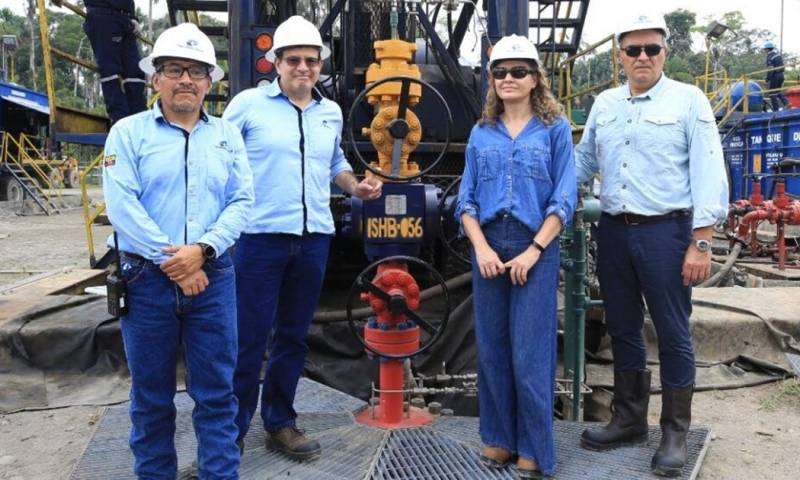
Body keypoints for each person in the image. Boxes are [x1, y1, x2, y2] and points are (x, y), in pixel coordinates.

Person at [575, 11, 728, 478]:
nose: (642, 57)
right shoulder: (604, 105)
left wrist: (701, 242)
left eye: (652, 49)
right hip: (615, 232)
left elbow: (708, 169)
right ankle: (628, 419)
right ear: (619, 55)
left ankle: (675, 432)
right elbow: (583, 166)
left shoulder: (688, 100)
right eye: (633, 49)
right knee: (622, 326)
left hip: (667, 233)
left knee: (672, 331)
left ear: (665, 52)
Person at [223, 15, 382, 461]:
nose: (303, 68)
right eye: (294, 60)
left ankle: (280, 422)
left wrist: (358, 187)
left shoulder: (329, 113)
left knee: (293, 336)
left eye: (311, 61)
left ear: (319, 65)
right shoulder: (246, 107)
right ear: (276, 62)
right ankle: (230, 433)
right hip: (259, 238)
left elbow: (335, 166)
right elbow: (218, 164)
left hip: (313, 239)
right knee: (249, 339)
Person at [102, 23, 254, 479]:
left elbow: (242, 201)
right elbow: (121, 205)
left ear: (210, 81)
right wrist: (177, 262)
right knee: (150, 398)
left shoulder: (227, 136)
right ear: (156, 79)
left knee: (217, 396)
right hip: (146, 280)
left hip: (213, 278)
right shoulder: (127, 135)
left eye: (196, 71)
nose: (185, 79)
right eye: (174, 69)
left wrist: (203, 250)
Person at [455, 34, 576, 479]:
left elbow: (564, 197)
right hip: (489, 244)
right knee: (491, 348)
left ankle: (533, 447)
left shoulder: (555, 129)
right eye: (500, 72)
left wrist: (534, 250)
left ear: (535, 78)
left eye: (518, 71)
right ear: (491, 79)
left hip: (535, 245)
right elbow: (465, 200)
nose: (509, 79)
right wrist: (482, 247)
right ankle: (500, 439)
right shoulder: (481, 132)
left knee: (531, 352)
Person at [81, 1, 147, 123]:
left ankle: (140, 118)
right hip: (103, 15)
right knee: (111, 72)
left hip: (126, 19)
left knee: (135, 72)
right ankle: (121, 121)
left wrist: (133, 17)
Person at [763, 41, 789, 111]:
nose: (764, 50)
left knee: (772, 93)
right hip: (781, 76)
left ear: (767, 49)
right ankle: (787, 103)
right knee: (778, 91)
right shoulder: (778, 55)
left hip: (775, 76)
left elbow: (770, 69)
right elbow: (782, 67)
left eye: (765, 49)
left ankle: (775, 110)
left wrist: (767, 79)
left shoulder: (770, 57)